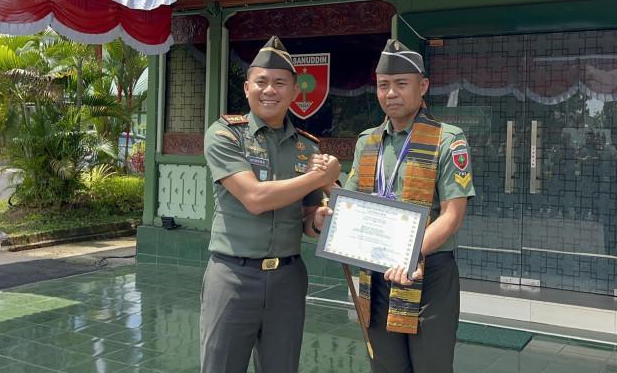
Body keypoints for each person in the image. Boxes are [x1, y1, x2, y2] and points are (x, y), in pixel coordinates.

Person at [315, 39, 475, 373]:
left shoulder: (447, 139)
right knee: (386, 366)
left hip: (429, 274)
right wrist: (327, 182)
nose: (391, 93)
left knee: (431, 366)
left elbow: (453, 215)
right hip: (376, 277)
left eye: (401, 84)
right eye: (383, 85)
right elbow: (350, 204)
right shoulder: (368, 141)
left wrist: (411, 253)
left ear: (423, 86)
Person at [200, 35, 340, 373]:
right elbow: (255, 198)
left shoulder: (307, 147)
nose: (270, 90)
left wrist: (318, 220)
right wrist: (320, 177)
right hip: (233, 276)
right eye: (261, 81)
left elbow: (308, 218)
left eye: (280, 83)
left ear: (294, 91)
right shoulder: (225, 135)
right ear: (247, 87)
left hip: (288, 280)